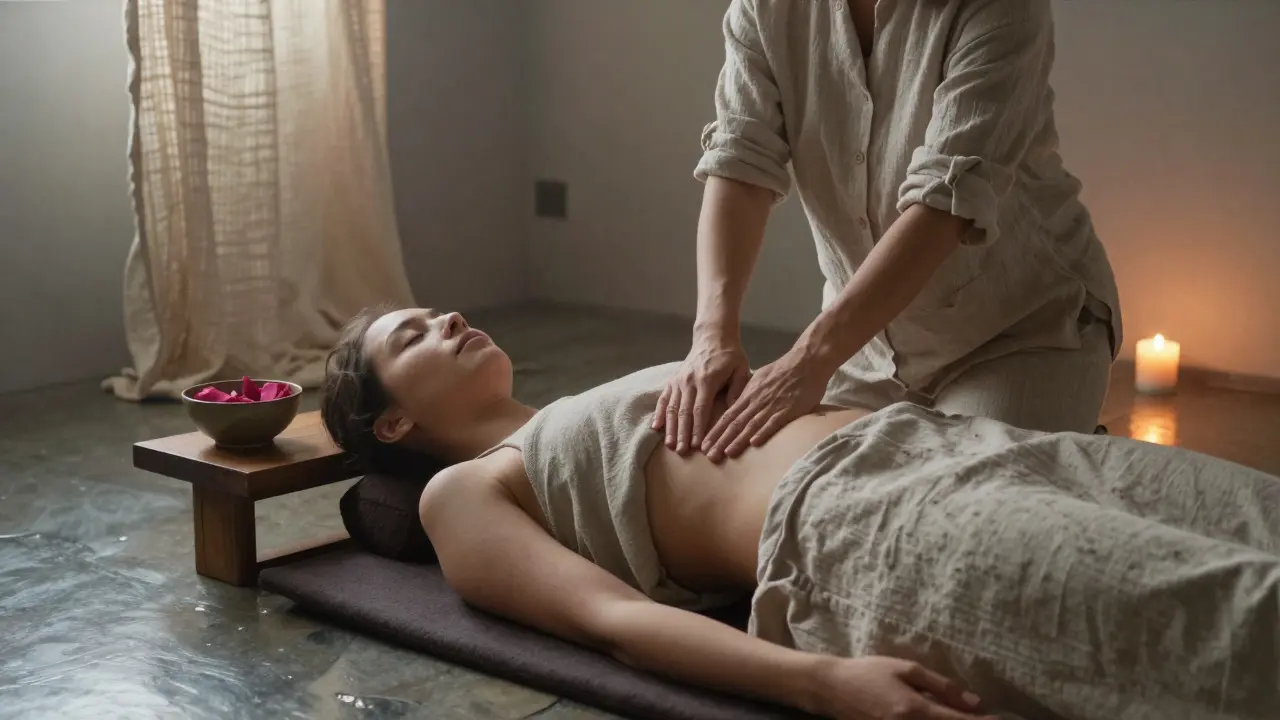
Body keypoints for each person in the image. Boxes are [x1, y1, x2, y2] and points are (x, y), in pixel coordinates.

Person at [322, 306, 1280, 720]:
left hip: (952, 443)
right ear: (394, 419)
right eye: (413, 334)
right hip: (863, 530)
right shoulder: (464, 493)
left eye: (436, 311)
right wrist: (823, 684)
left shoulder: (575, 408)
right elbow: (613, 622)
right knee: (1232, 621)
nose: (445, 320)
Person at [656, 0, 1124, 464]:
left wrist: (811, 358)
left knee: (955, 502)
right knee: (801, 489)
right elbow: (741, 159)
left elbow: (944, 203)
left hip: (1021, 330)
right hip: (865, 343)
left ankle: (1072, 452)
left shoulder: (1002, 7)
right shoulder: (764, 7)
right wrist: (711, 336)